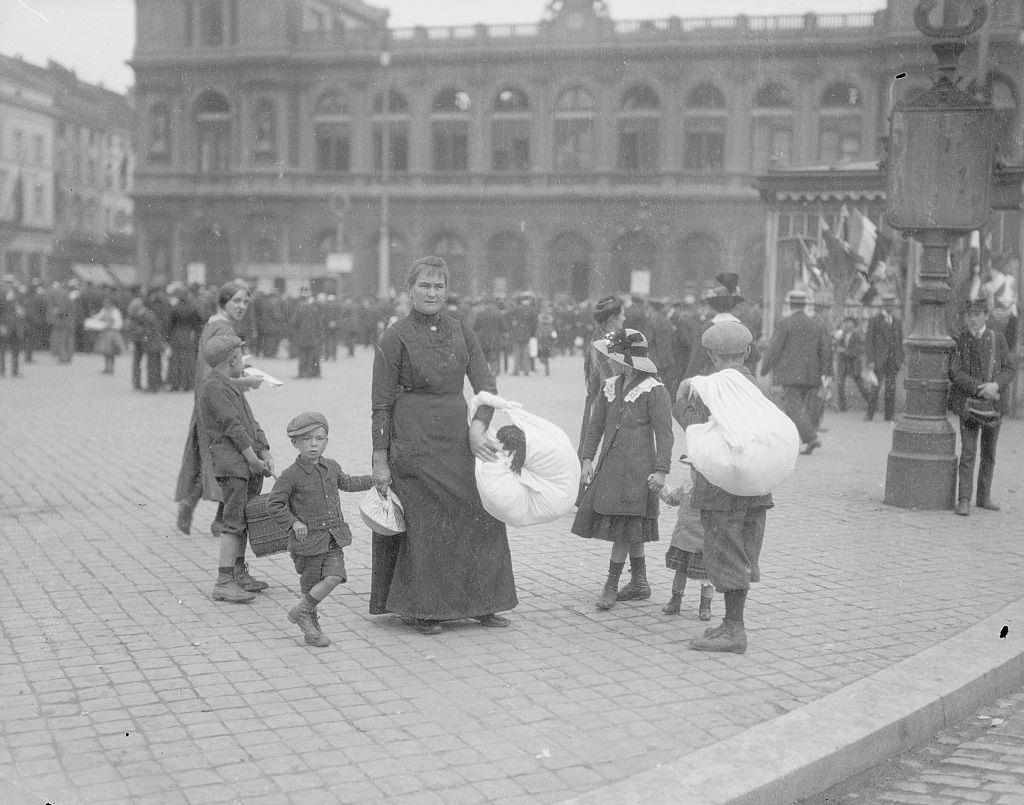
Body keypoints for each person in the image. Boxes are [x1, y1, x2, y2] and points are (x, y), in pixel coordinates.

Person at [370, 255, 518, 635]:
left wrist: (478, 426)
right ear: (410, 290)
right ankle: (423, 608)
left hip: (457, 436)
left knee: (481, 509)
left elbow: (486, 387)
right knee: (428, 519)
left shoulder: (461, 331)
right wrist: (380, 458)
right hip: (413, 439)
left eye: (439, 286)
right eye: (425, 286)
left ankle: (484, 602)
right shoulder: (394, 336)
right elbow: (381, 404)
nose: (432, 293)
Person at [674, 320, 775, 654]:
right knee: (744, 552)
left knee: (725, 551)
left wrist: (683, 397)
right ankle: (734, 622)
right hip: (757, 485)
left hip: (720, 488)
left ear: (712, 357)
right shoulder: (760, 387)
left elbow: (691, 424)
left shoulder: (708, 388)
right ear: (746, 352)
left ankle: (734, 629)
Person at [572, 329, 673, 610]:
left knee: (624, 530)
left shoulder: (654, 390)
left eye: (615, 358)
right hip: (611, 468)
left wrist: (662, 470)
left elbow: (665, 434)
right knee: (630, 528)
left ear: (629, 362)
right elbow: (595, 427)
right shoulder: (610, 386)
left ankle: (611, 585)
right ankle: (639, 582)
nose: (611, 363)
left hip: (639, 472)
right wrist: (587, 459)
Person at [268, 412, 373, 647]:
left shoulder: (331, 467)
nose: (314, 444)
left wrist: (374, 480)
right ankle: (311, 628)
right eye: (306, 440)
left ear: (327, 440)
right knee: (310, 585)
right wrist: (294, 522)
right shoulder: (290, 475)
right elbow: (274, 504)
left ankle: (300, 612)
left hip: (334, 537)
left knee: (335, 576)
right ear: (295, 443)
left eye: (319, 438)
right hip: (308, 542)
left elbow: (347, 482)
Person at [174, 281, 263, 536]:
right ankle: (218, 519)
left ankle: (197, 508)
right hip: (219, 401)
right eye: (236, 301)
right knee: (231, 460)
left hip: (207, 402)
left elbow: (214, 366)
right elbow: (214, 376)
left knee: (213, 458)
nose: (242, 306)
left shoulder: (213, 324)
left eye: (245, 302)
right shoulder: (223, 329)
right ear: (223, 301)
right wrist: (247, 380)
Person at [196, 333, 274, 603]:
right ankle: (224, 580)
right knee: (233, 523)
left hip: (247, 465)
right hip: (234, 466)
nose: (243, 359)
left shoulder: (229, 384)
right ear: (232, 358)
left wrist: (265, 448)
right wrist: (253, 458)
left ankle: (239, 572)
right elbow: (233, 427)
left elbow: (251, 422)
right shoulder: (213, 387)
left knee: (244, 520)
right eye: (241, 355)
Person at [949, 299, 1015, 517]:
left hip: (993, 405)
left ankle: (983, 496)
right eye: (970, 315)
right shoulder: (961, 340)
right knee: (968, 452)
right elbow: (955, 373)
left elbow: (1009, 369)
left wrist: (996, 385)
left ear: (986, 316)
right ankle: (964, 499)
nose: (973, 319)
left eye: (977, 315)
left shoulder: (999, 339)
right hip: (969, 404)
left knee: (989, 453)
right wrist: (981, 389)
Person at [760, 289, 831, 455]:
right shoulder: (816, 324)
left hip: (790, 374)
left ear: (790, 305)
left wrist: (765, 368)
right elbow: (824, 350)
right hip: (812, 374)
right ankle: (799, 439)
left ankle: (810, 438)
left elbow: (775, 348)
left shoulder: (785, 323)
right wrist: (824, 373)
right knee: (805, 408)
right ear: (805, 305)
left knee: (793, 408)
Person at [659, 473, 714, 620]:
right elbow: (671, 497)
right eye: (692, 470)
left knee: (707, 577)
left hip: (703, 543)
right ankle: (675, 600)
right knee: (680, 571)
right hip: (683, 540)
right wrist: (660, 488)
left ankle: (705, 605)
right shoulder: (686, 487)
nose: (695, 474)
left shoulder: (715, 491)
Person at [579, 295, 625, 453]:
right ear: (613, 317)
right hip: (605, 402)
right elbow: (612, 379)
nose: (624, 318)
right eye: (622, 314)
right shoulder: (607, 344)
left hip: (596, 398)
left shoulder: (599, 337)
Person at [864, 293, 904, 421]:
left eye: (892, 304)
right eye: (887, 304)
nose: (890, 307)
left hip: (893, 361)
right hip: (878, 361)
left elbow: (900, 342)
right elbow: (869, 342)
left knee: (891, 389)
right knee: (875, 388)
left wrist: (901, 360)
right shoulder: (875, 320)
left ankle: (889, 415)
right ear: (883, 304)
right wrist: (870, 360)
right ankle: (869, 414)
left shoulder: (897, 321)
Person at [833, 316, 871, 412]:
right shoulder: (842, 335)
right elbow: (837, 347)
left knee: (861, 387)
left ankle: (872, 403)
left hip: (854, 365)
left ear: (854, 325)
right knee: (840, 385)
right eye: (845, 322)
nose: (846, 324)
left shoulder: (858, 336)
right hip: (843, 365)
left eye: (849, 323)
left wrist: (843, 350)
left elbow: (856, 353)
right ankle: (842, 408)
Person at [92, 295, 125, 376]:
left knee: (111, 352)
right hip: (105, 333)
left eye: (107, 302)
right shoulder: (104, 310)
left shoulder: (115, 311)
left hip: (113, 333)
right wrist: (93, 317)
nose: (105, 304)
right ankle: (106, 367)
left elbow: (119, 324)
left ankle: (111, 368)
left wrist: (111, 325)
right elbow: (98, 317)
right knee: (105, 352)